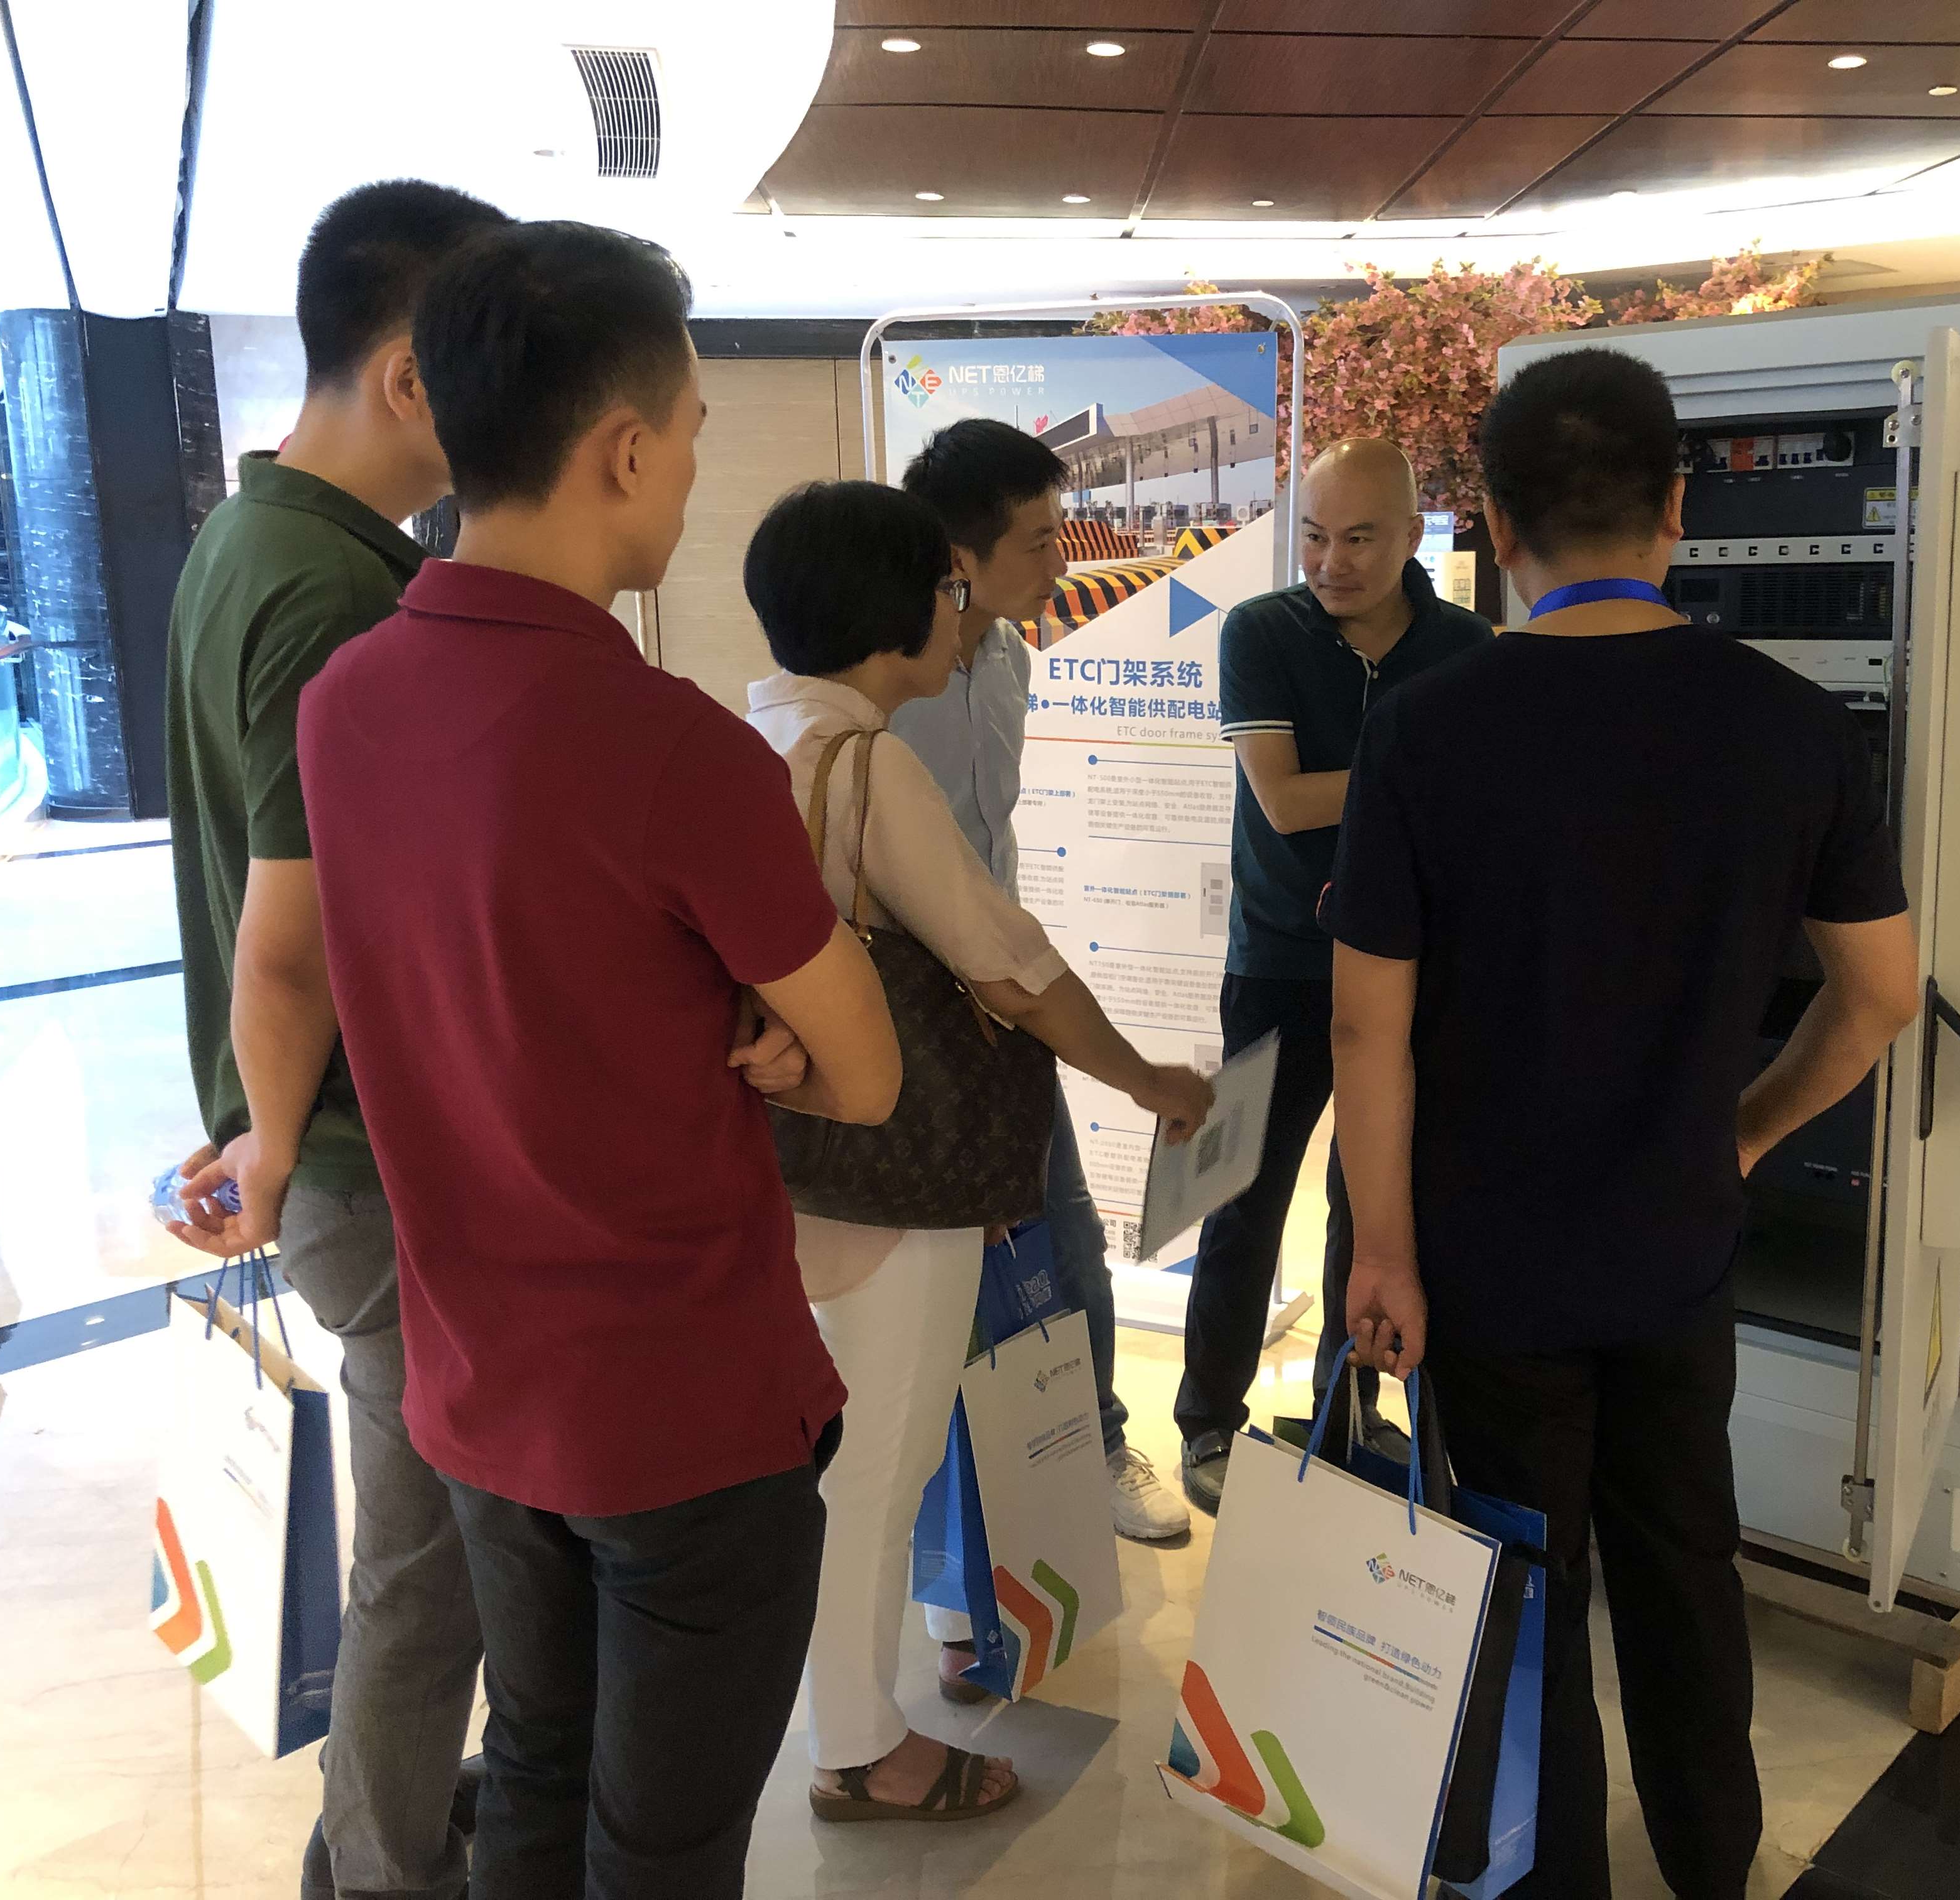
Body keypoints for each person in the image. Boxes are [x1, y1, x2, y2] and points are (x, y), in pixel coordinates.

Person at [293, 222, 901, 1900]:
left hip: (481, 1385)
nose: (695, 465)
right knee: (666, 1848)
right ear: (626, 449)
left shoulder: (346, 703)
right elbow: (866, 1076)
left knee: (539, 1778)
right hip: (684, 1410)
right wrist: (769, 1035)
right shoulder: (674, 748)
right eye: (693, 430)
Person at [1326, 347, 1920, 1900]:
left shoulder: (1427, 728)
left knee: (1522, 1575)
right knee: (1684, 1557)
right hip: (1676, 1238)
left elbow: (1367, 1027)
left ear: (1494, 523)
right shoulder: (1792, 727)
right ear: (1676, 509)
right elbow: (1879, 997)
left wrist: (1380, 1251)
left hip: (1486, 1255)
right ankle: (1714, 1861)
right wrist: (1743, 1135)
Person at [739, 479, 1215, 1824]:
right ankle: (856, 1744)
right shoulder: (867, 765)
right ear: (894, 610)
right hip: (897, 1167)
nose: (962, 615)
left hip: (781, 1160)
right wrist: (1144, 1078)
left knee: (837, 1448)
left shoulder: (749, 736)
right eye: (948, 591)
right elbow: (1005, 966)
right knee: (880, 1460)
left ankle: (847, 1708)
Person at [159, 178, 511, 1900]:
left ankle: (394, 1829)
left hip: (319, 1137)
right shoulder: (340, 599)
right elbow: (289, 938)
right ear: (409, 378)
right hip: (369, 1155)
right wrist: (279, 1137)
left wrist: (255, 1125)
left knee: (430, 1547)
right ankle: (380, 1869)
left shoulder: (251, 541)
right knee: (427, 1568)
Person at [1177, 438, 1491, 1514]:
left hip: (1407, 972)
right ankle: (1207, 1421)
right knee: (1241, 1199)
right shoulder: (1260, 630)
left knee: (1373, 1208)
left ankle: (1340, 1415)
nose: (1330, 562)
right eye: (1313, 536)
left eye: (1358, 538)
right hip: (1277, 962)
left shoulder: (1465, 647)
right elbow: (1283, 801)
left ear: (1412, 536)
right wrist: (1423, 779)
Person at [893, 417, 1193, 1545]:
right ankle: (959, 1513)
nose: (1062, 562)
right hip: (908, 1025)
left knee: (1066, 1234)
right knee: (936, 1274)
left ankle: (1094, 1445)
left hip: (1008, 1007)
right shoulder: (882, 686)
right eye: (1038, 540)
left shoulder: (1012, 658)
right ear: (958, 560)